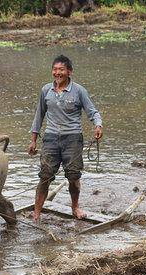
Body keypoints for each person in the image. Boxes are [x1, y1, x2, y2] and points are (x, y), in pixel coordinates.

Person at [28, 55, 103, 223]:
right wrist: (33, 140)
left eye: (61, 70)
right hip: (50, 138)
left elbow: (92, 112)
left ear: (69, 72)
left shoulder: (79, 91)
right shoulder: (46, 90)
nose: (57, 73)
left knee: (73, 176)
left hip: (73, 139)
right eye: (55, 70)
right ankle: (37, 212)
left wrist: (98, 125)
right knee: (45, 176)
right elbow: (38, 116)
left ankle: (75, 207)